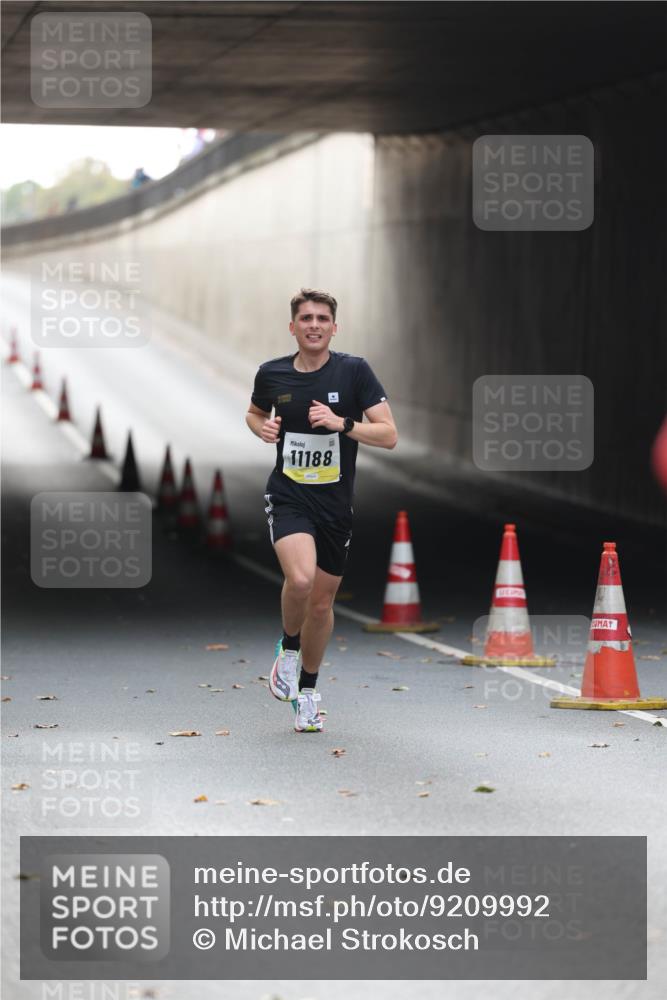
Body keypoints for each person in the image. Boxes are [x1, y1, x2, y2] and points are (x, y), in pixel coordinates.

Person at [246, 288, 397, 732]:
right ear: (292, 327)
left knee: (321, 605)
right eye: (306, 318)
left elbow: (388, 435)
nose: (314, 325)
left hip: (335, 504)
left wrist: (343, 424)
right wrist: (264, 428)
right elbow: (254, 413)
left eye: (322, 318)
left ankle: (308, 692)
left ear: (335, 327)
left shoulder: (354, 372)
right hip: (290, 495)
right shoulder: (271, 373)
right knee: (302, 578)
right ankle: (288, 651)